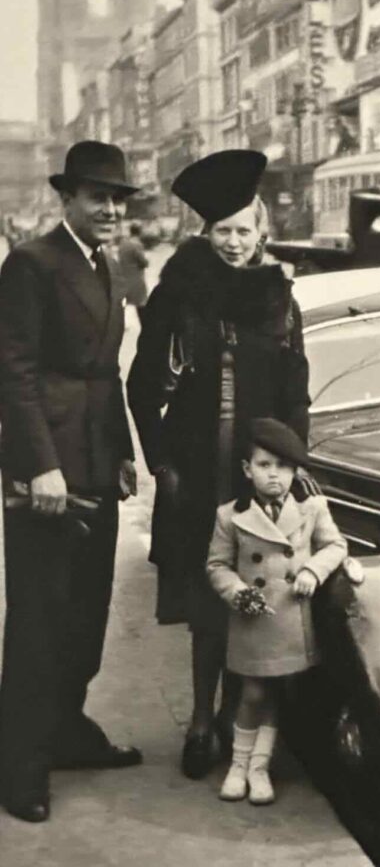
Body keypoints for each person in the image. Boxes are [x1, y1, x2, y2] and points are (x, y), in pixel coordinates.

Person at [127, 149, 310, 783]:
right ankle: (202, 724)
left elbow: (296, 394)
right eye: (221, 231)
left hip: (259, 478)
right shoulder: (180, 292)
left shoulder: (281, 300)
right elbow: (141, 384)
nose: (233, 243)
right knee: (209, 608)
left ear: (263, 232)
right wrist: (161, 463)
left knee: (257, 602)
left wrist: (289, 468)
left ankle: (239, 722)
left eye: (243, 231)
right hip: (197, 472)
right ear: (205, 234)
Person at [0, 140, 141, 824]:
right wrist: (37, 466)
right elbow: (15, 371)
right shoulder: (31, 263)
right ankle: (20, 764)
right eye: (97, 197)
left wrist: (121, 453)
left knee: (87, 613)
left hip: (93, 463)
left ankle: (67, 730)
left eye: (118, 199)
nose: (111, 209)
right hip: (48, 476)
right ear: (66, 199)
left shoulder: (106, 264)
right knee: (38, 620)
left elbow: (106, 373)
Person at [207, 418, 346, 805]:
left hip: (289, 616)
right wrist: (238, 593)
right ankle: (240, 765)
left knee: (273, 693)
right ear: (246, 469)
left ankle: (258, 768)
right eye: (265, 465)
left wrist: (311, 571)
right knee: (253, 692)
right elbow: (217, 566)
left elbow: (335, 546)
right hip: (253, 619)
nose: (275, 475)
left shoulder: (312, 508)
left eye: (283, 467)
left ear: (295, 471)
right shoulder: (229, 515)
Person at [116, 221, 149, 328]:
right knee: (141, 303)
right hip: (136, 278)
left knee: (122, 302)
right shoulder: (137, 244)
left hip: (124, 276)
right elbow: (142, 261)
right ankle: (146, 325)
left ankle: (119, 324)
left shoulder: (123, 243)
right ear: (139, 232)